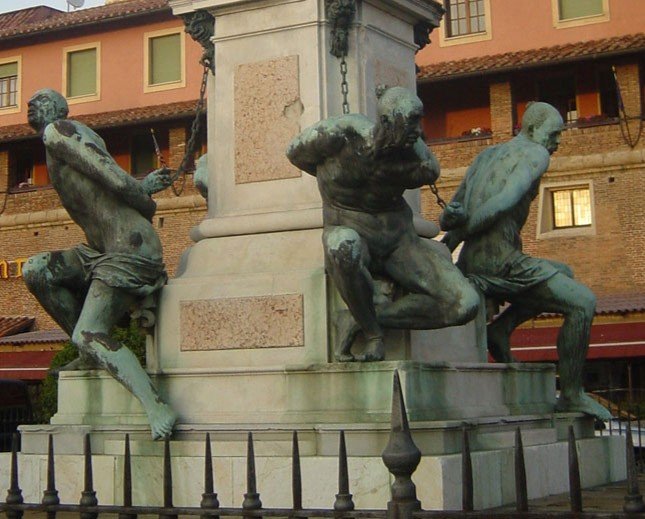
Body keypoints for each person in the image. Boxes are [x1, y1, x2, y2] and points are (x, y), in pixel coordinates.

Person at [23, 89, 177, 439]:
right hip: (98, 251)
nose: (32, 103)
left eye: (42, 98)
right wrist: (145, 190)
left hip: (128, 248)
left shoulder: (58, 130)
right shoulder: (64, 137)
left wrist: (141, 195)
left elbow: (112, 176)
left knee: (89, 333)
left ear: (59, 107)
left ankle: (156, 406)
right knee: (37, 269)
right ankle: (92, 352)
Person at [440, 101, 610, 419]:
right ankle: (572, 395)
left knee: (565, 271)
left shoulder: (485, 156)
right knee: (583, 303)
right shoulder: (536, 154)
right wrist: (469, 227)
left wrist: (450, 243)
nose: (558, 141)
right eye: (554, 133)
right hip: (499, 262)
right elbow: (506, 200)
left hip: (473, 261)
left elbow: (449, 214)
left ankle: (502, 330)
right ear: (531, 130)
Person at [287, 86, 479, 362]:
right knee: (343, 245)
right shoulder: (339, 137)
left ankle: (360, 317)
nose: (419, 129)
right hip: (349, 227)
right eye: (412, 120)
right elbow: (294, 153)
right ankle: (373, 333)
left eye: (419, 120)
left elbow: (430, 168)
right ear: (387, 122)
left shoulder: (416, 161)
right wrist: (332, 180)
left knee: (465, 305)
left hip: (399, 241)